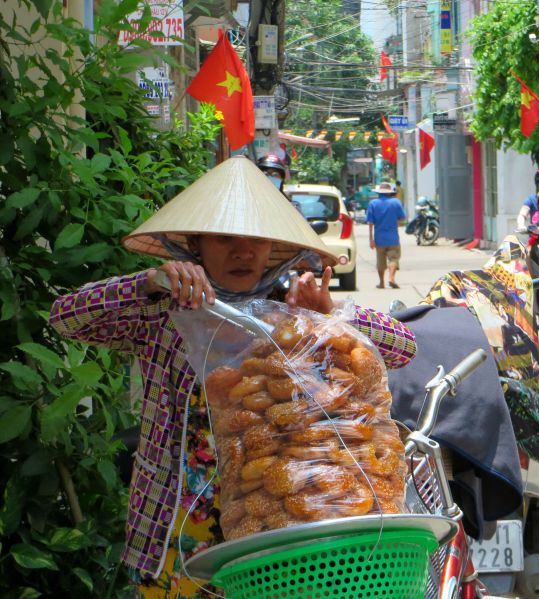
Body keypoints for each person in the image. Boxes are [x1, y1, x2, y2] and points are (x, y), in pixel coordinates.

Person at [49, 158, 417, 597]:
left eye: (255, 239)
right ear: (196, 245)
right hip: (178, 526)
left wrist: (331, 317)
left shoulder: (298, 313)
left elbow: (401, 348)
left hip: (280, 529)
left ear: (272, 248)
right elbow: (67, 318)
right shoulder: (161, 312)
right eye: (225, 238)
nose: (243, 251)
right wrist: (149, 281)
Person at [366, 181, 406, 289]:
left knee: (380, 260)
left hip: (379, 238)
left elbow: (370, 222)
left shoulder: (373, 204)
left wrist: (371, 239)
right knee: (393, 258)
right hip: (393, 237)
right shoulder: (396, 202)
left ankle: (382, 282)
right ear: (389, 193)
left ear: (379, 193)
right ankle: (391, 278)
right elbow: (402, 218)